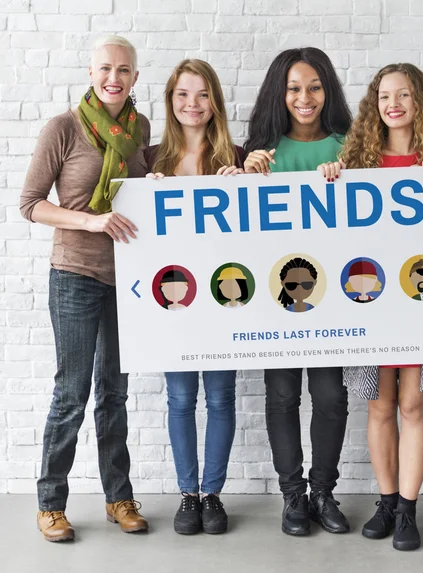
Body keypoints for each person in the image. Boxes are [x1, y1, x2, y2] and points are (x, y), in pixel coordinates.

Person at [20, 35, 150, 542]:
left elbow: (140, 192)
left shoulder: (139, 129)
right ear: (91, 73)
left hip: (129, 282)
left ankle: (119, 498)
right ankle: (51, 504)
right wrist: (91, 223)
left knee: (114, 395)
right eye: (104, 69)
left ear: (135, 77)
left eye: (123, 70)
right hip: (75, 275)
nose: (113, 77)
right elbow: (31, 203)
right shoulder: (64, 127)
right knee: (71, 395)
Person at [337, 63, 423, 551]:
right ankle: (386, 502)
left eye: (404, 94)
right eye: (385, 96)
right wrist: (332, 175)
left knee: (413, 402)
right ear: (374, 104)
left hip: (421, 302)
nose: (394, 104)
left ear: (419, 101)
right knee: (380, 403)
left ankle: (407, 509)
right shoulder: (357, 160)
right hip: (368, 301)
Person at [243, 47, 353, 536]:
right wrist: (240, 179)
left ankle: (323, 492)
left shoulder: (348, 146)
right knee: (282, 396)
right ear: (278, 94)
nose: (304, 97)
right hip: (277, 298)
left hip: (332, 298)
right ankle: (293, 498)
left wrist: (348, 174)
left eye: (313, 86)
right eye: (293, 88)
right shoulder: (260, 153)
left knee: (330, 397)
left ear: (326, 90)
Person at [146, 58, 245, 536]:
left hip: (224, 299)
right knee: (182, 399)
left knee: (222, 398)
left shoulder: (236, 158)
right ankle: (188, 495)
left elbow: (256, 236)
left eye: (202, 95)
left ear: (215, 102)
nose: (193, 104)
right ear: (171, 102)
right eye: (183, 95)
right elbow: (135, 234)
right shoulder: (150, 160)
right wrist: (144, 197)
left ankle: (213, 494)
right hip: (175, 303)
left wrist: (243, 187)